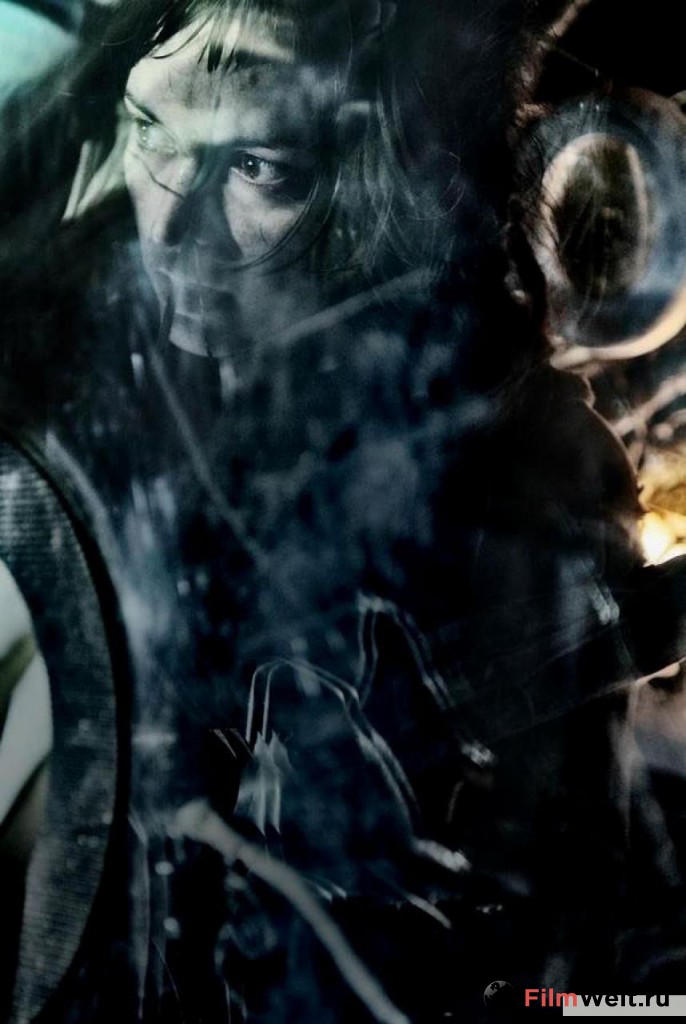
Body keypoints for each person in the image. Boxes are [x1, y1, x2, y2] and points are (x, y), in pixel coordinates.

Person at [2, 1, 686, 1020]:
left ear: (396, 184)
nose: (173, 227)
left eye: (257, 166)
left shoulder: (512, 485)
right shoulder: (81, 337)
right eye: (152, 128)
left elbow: (564, 983)